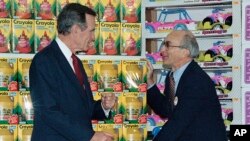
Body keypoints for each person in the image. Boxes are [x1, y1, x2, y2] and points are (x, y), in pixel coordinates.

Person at [29, 3, 116, 141]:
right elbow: (48, 111)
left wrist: (103, 106)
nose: (93, 37)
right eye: (91, 30)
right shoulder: (44, 60)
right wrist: (89, 136)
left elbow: (83, 108)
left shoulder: (76, 62)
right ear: (75, 30)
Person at [146, 30, 227, 141]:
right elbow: (166, 109)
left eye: (168, 45)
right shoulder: (172, 76)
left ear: (185, 52)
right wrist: (149, 82)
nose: (161, 50)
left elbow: (178, 123)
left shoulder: (196, 81)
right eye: (163, 44)